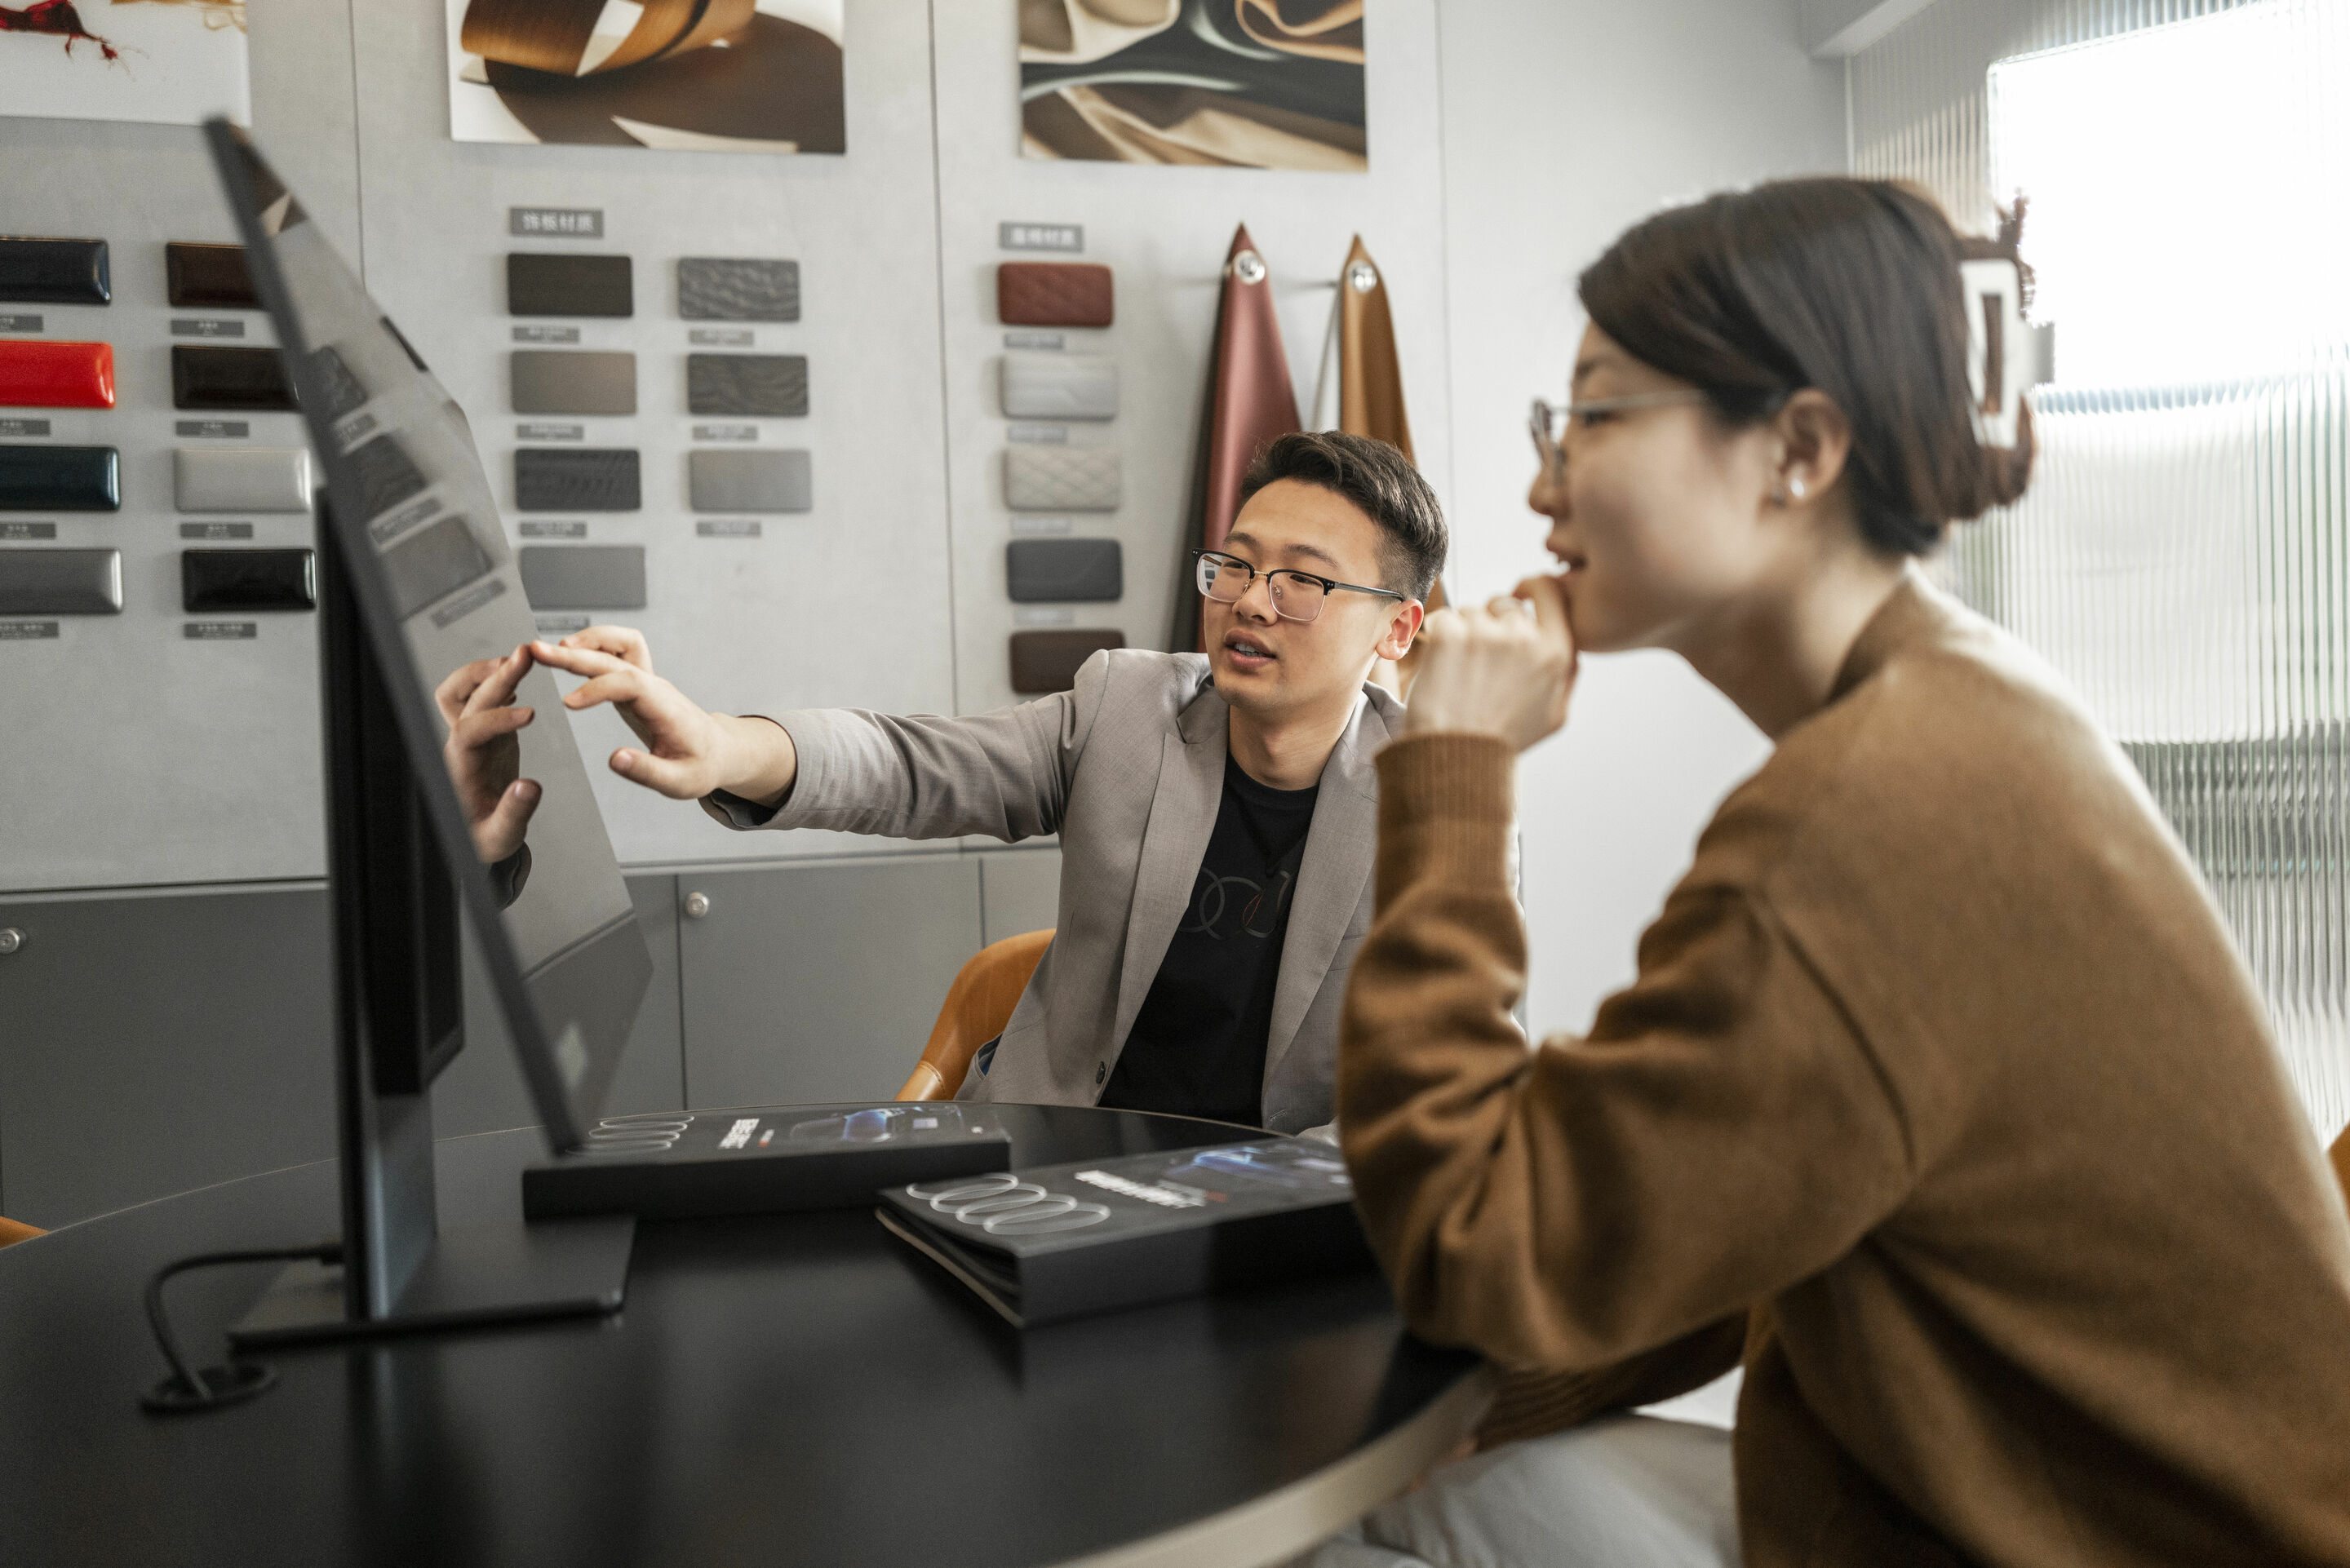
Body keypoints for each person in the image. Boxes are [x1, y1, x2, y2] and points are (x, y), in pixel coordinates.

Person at [1315, 179, 2350, 1566]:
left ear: (1797, 449)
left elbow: (1472, 1247)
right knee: (1429, 1492)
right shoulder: (1963, 703)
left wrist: (1451, 772)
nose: (1542, 484)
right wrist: (1511, 1401)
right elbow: (1763, 1187)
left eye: (1596, 417)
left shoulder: (1867, 817)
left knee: (1354, 1536)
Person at [513, 430, 1445, 1134]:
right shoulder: (1127, 710)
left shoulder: (1438, 809)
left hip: (1278, 1226)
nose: (1249, 600)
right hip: (1054, 1169)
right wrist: (722, 745)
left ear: (1396, 629)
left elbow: (1446, 1083)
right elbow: (913, 764)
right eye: (1237, 564)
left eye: (1302, 582)